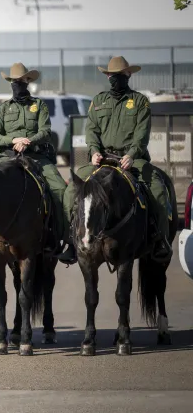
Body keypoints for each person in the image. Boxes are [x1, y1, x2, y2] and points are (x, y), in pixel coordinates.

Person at [62, 56, 171, 263]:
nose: (115, 78)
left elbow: (142, 133)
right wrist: (93, 150)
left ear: (128, 75)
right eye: (112, 75)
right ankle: (70, 241)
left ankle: (160, 239)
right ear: (107, 76)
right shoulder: (98, 101)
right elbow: (91, 129)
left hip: (131, 159)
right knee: (70, 190)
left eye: (119, 75)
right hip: (101, 159)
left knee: (156, 187)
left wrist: (131, 154)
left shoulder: (140, 101)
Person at [0, 63, 70, 258]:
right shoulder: (3, 109)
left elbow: (45, 131)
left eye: (22, 81)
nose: (18, 84)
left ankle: (64, 238)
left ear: (28, 81)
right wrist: (13, 140)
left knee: (60, 189)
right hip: (9, 158)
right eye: (15, 81)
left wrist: (29, 141)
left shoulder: (39, 105)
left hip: (37, 157)